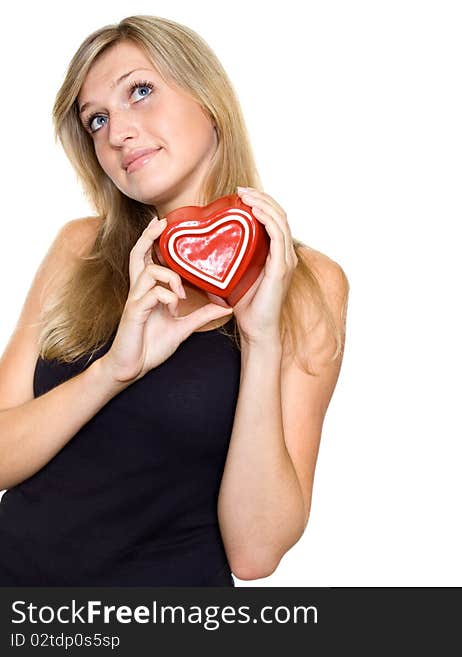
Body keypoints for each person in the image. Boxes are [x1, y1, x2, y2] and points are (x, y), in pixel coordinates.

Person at [0, 15, 348, 585]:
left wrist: (261, 339)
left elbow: (255, 554)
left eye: (140, 91)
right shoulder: (78, 249)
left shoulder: (309, 282)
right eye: (97, 121)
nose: (116, 134)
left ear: (208, 99)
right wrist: (114, 370)